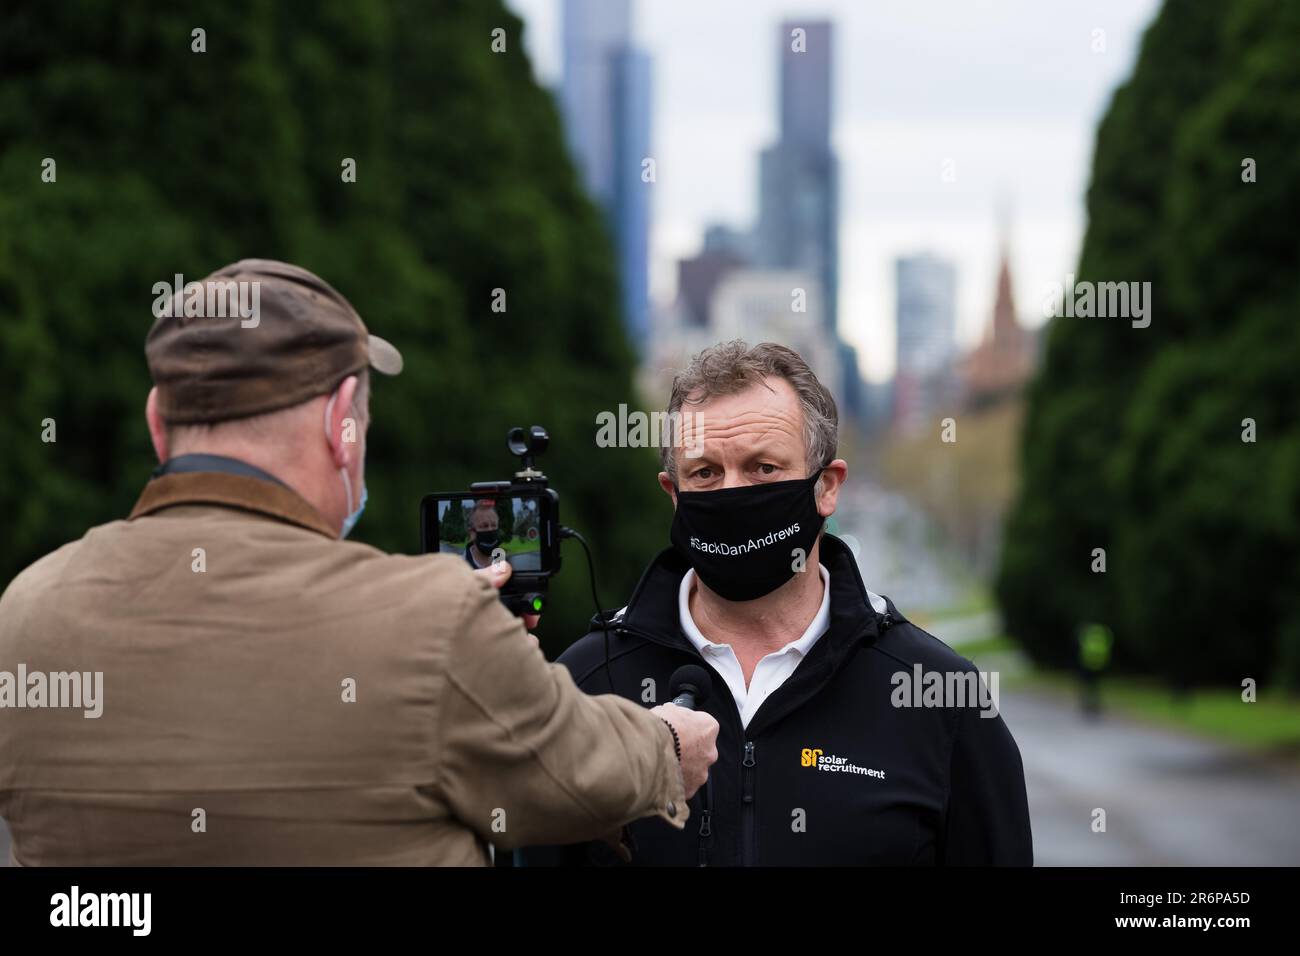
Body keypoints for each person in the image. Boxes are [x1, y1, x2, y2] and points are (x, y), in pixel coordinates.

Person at [0, 258, 718, 866]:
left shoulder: (26, 612)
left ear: (158, 423)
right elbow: (579, 773)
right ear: (340, 422)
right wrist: (666, 742)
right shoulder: (434, 622)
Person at [521, 341, 1032, 866]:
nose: (732, 492)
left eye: (763, 468)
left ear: (827, 488)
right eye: (705, 474)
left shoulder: (940, 698)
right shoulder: (584, 686)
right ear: (673, 494)